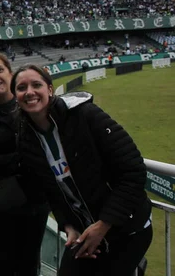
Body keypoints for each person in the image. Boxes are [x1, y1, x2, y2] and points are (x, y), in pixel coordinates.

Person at [11, 65, 152, 276]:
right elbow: (50, 190)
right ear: (15, 96)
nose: (29, 92)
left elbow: (133, 171)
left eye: (36, 85)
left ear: (50, 89)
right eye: (22, 87)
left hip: (127, 228)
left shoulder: (86, 115)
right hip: (85, 232)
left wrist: (103, 225)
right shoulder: (26, 138)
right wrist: (67, 225)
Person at [0, 52, 48, 276]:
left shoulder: (28, 104)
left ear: (10, 74)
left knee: (29, 263)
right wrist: (19, 158)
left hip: (35, 200)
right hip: (0, 202)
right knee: (4, 264)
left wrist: (7, 162)